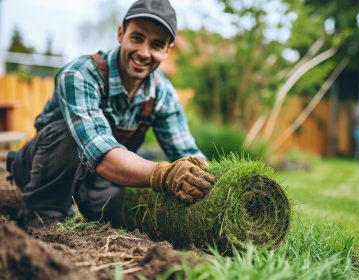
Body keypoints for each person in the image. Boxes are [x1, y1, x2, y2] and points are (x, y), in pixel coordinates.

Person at [6, 0, 215, 226]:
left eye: (156, 44)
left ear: (166, 50)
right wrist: (163, 175)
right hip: (44, 169)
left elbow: (186, 150)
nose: (144, 52)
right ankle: (41, 215)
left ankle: (82, 206)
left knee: (129, 196)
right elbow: (102, 154)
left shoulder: (162, 93)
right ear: (120, 34)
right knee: (66, 135)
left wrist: (211, 179)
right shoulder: (80, 74)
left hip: (98, 181)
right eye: (137, 38)